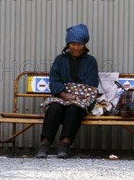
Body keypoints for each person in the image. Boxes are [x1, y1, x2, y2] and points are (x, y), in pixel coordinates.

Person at [36, 24, 99, 159]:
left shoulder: (91, 61)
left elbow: (91, 85)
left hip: (82, 99)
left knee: (73, 110)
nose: (76, 47)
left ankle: (64, 145)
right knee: (54, 108)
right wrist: (64, 95)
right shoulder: (60, 60)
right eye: (73, 44)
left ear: (84, 45)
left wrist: (75, 97)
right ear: (67, 44)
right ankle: (44, 145)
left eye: (79, 44)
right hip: (61, 96)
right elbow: (54, 80)